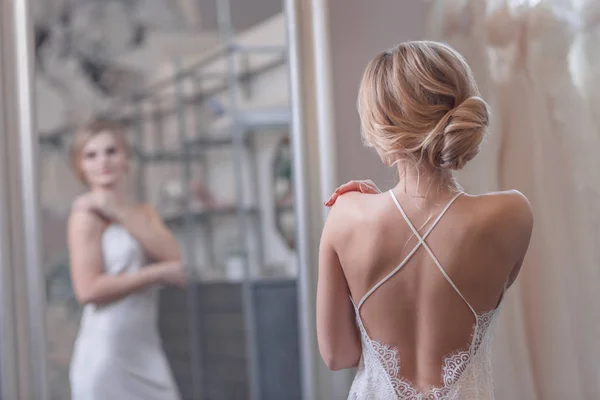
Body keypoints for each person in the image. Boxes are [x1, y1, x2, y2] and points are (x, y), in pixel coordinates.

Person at [317, 41, 533, 399]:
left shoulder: (345, 216)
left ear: (382, 129)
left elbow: (339, 355)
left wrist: (363, 206)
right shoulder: (511, 214)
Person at [67, 120, 184, 400]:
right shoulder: (85, 216)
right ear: (80, 166)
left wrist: (118, 211)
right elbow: (87, 291)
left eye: (111, 151)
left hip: (146, 348)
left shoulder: (143, 213)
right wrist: (155, 274)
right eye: (91, 155)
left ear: (126, 158)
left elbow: (177, 262)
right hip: (107, 352)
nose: (103, 161)